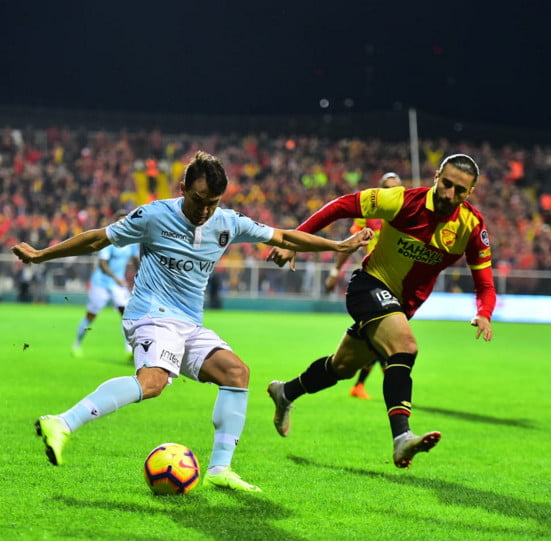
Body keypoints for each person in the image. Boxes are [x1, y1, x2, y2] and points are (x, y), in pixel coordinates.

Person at [12, 150, 373, 492]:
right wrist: (41, 255)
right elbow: (97, 240)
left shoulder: (228, 222)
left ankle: (219, 469)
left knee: (236, 373)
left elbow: (282, 235)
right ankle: (62, 422)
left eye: (212, 202)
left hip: (188, 323)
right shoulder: (153, 215)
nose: (204, 210)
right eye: (198, 200)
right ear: (183, 188)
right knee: (153, 382)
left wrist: (338, 246)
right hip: (151, 315)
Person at [266, 154, 496, 469]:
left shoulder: (471, 226)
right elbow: (341, 205)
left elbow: (485, 284)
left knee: (342, 367)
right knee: (405, 347)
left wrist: (484, 312)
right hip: (369, 286)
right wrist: (292, 240)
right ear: (436, 176)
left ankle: (285, 392)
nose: (449, 194)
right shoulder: (401, 200)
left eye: (459, 190)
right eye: (446, 184)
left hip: (400, 306)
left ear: (470, 192)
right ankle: (402, 437)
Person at [324, 172, 403, 400]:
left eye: (395, 188)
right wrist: (335, 271)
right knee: (385, 335)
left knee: (378, 336)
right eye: (386, 188)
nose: (391, 192)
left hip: (398, 282)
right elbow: (352, 244)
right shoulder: (369, 214)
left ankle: (359, 383)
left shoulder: (407, 213)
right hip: (374, 280)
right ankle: (383, 381)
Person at [71, 210, 140, 360]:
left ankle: (129, 349)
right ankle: (77, 343)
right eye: (120, 222)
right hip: (101, 283)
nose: (123, 225)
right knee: (91, 316)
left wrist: (142, 274)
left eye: (125, 222)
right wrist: (115, 278)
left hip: (117, 284)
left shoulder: (132, 242)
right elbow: (102, 264)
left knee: (127, 315)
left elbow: (135, 260)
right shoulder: (110, 240)